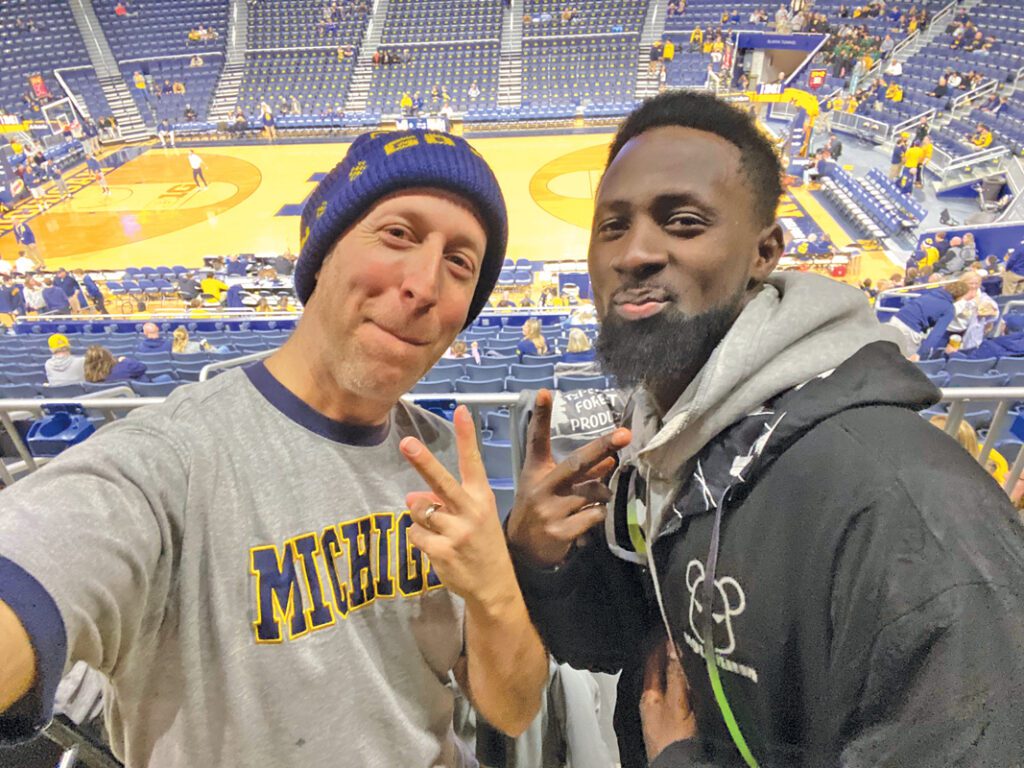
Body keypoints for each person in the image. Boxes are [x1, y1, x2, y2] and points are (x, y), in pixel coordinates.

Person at [0, 129, 559, 768]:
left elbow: (513, 711)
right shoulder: (169, 462)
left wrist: (496, 588)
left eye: (460, 263)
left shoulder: (438, 462)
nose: (425, 285)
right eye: (399, 234)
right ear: (320, 256)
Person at [505, 91, 1024, 768]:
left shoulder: (906, 508)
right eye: (611, 226)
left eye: (683, 221)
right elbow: (622, 644)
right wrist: (546, 560)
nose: (634, 252)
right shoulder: (663, 445)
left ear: (765, 252)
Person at [84, 344, 148, 382]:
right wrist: (125, 360)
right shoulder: (125, 366)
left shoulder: (89, 378)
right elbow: (143, 368)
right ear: (108, 356)